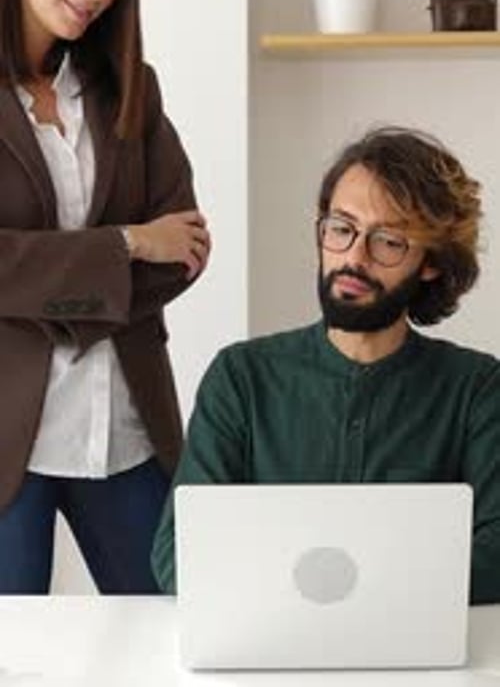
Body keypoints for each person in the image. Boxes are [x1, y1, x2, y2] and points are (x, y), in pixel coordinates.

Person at [152, 126, 500, 603]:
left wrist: (336, 585)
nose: (354, 257)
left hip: (412, 650)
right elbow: (178, 556)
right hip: (271, 644)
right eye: (341, 228)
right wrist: (395, 578)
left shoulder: (476, 389)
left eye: (388, 240)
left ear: (431, 262)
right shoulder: (241, 377)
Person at [0, 0, 211, 593]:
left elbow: (183, 248)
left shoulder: (130, 89)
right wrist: (125, 243)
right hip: (7, 437)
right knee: (11, 645)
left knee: (176, 628)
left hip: (123, 426)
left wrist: (41, 286)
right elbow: (149, 245)